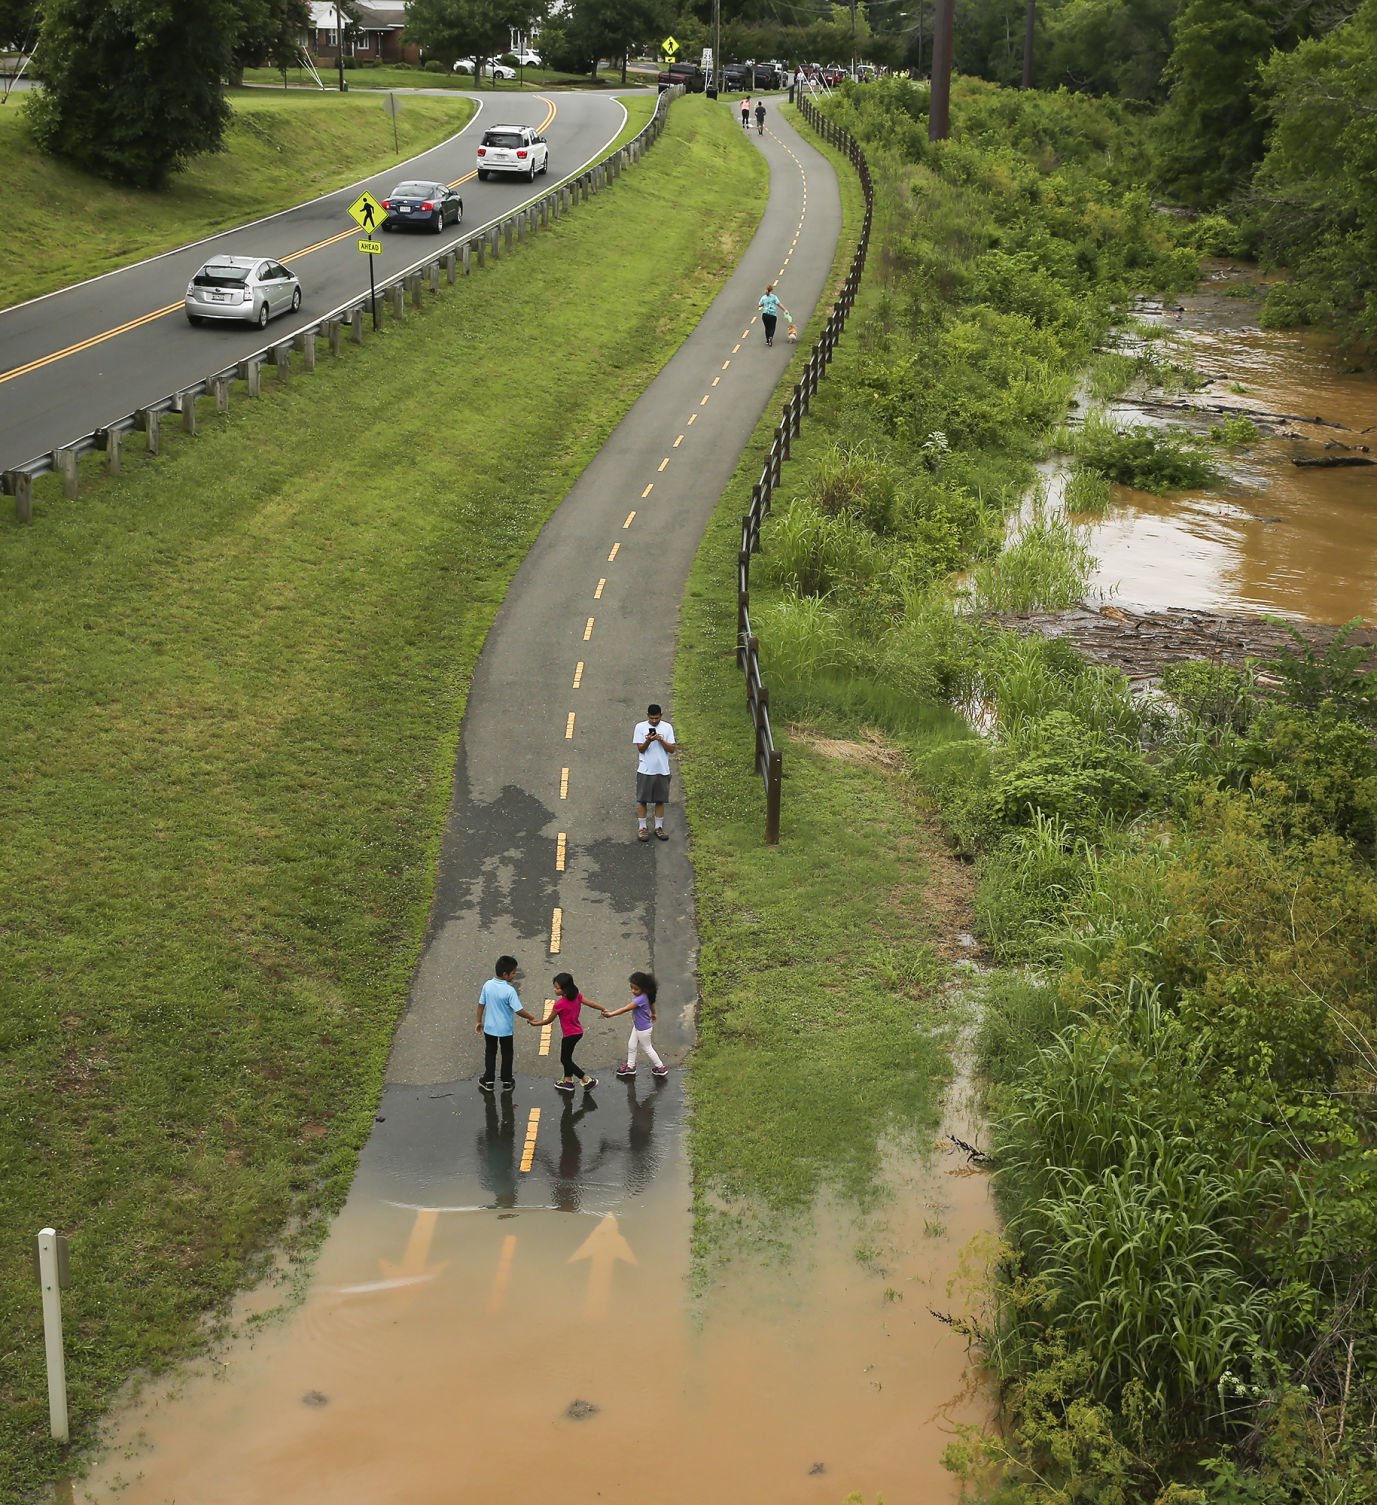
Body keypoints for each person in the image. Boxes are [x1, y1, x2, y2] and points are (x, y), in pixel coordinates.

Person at [531, 972, 606, 1092]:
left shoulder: (559, 1004)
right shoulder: (577, 996)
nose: (555, 990)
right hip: (578, 1032)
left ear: (565, 989)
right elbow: (591, 1004)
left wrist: (536, 1023)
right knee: (568, 1057)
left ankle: (586, 1079)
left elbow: (548, 1021)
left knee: (565, 1059)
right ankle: (568, 1080)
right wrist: (602, 1008)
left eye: (557, 988)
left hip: (569, 1035)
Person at [475, 954, 537, 1091]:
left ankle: (488, 1080)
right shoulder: (509, 990)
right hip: (505, 1030)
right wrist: (531, 1017)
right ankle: (507, 1080)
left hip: (490, 1028)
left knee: (490, 1053)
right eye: (513, 972)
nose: (515, 975)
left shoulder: (487, 985)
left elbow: (481, 1005)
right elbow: (519, 1010)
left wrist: (478, 1021)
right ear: (505, 974)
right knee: (507, 1053)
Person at [605, 971, 668, 1079]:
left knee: (647, 1048)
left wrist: (611, 1014)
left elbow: (626, 1008)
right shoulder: (647, 995)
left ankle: (660, 1067)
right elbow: (652, 1003)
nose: (633, 991)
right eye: (631, 987)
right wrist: (653, 1014)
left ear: (643, 988)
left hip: (643, 1029)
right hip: (639, 1026)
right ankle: (630, 1066)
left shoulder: (640, 999)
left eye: (636, 989)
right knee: (632, 1045)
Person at [633, 702, 677, 842]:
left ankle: (659, 827)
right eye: (652, 718)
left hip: (662, 770)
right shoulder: (640, 727)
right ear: (647, 716)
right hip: (645, 770)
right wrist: (649, 741)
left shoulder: (667, 727)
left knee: (660, 800)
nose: (654, 721)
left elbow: (671, 749)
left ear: (661, 716)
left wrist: (660, 740)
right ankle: (642, 828)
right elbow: (641, 749)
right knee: (642, 800)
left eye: (657, 718)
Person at [757, 283, 791, 348]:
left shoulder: (763, 297)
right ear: (771, 290)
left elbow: (759, 305)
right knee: (772, 327)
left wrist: (764, 305)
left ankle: (767, 340)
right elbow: (779, 304)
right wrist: (785, 310)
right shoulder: (774, 297)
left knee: (767, 328)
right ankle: (771, 337)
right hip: (772, 315)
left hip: (765, 315)